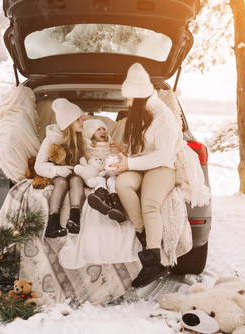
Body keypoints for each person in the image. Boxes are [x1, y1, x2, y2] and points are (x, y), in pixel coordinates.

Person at [111, 63, 183, 288]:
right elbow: (140, 148)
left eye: (129, 98)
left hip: (162, 168)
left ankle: (153, 262)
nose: (127, 102)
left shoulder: (164, 118)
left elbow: (162, 156)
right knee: (122, 184)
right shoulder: (138, 114)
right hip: (141, 166)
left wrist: (130, 162)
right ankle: (146, 239)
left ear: (139, 96)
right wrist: (126, 153)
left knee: (149, 203)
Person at [35, 98, 86, 238]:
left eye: (81, 119)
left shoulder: (81, 138)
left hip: (75, 174)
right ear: (68, 123)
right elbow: (38, 166)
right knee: (62, 182)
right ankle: (53, 223)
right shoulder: (51, 139)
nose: (82, 122)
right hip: (58, 174)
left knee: (76, 180)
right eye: (77, 120)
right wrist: (57, 171)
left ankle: (74, 219)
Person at [82, 118, 126, 223]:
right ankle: (103, 200)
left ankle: (117, 206)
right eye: (98, 129)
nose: (103, 131)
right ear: (91, 133)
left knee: (112, 181)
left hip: (111, 173)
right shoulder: (87, 148)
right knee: (99, 179)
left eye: (104, 129)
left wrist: (116, 155)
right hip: (97, 174)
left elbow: (117, 162)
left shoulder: (111, 145)